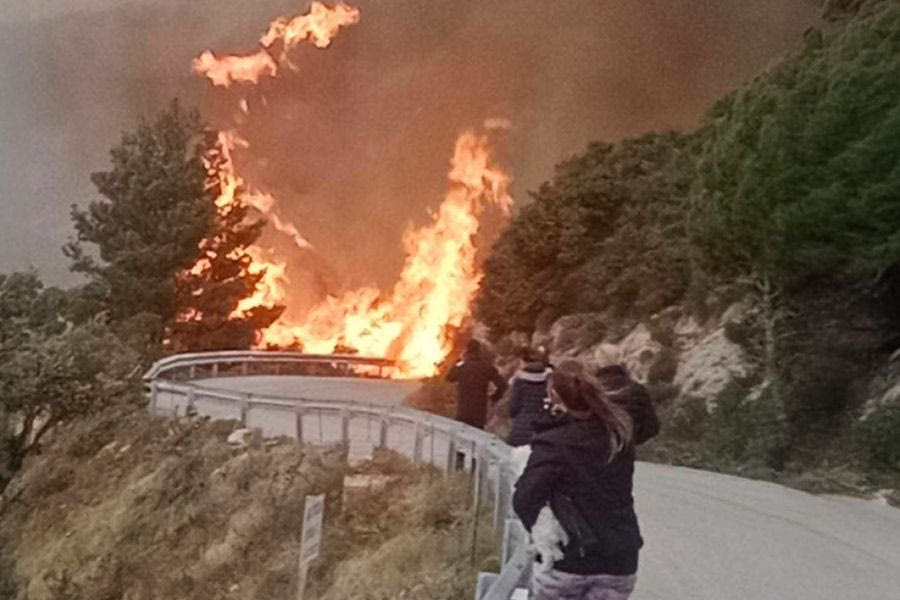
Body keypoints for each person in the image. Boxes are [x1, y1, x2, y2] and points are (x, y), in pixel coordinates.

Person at [513, 366, 643, 600]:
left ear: (555, 397)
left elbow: (525, 497)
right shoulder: (619, 435)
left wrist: (544, 534)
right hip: (620, 561)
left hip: (570, 560)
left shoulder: (554, 443)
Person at [446, 339, 508, 429]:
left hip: (463, 410)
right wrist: (494, 397)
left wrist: (458, 360)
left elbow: (449, 378)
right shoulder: (487, 367)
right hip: (479, 412)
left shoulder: (462, 367)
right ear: (479, 351)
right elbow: (503, 385)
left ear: (466, 351)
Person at [595, 365, 659, 445]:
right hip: (627, 442)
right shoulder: (639, 389)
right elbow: (652, 426)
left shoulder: (596, 388)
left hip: (599, 441)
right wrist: (632, 441)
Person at [507, 347, 553, 447]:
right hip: (540, 430)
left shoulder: (519, 381)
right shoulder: (547, 379)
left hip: (520, 430)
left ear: (524, 361)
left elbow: (512, 409)